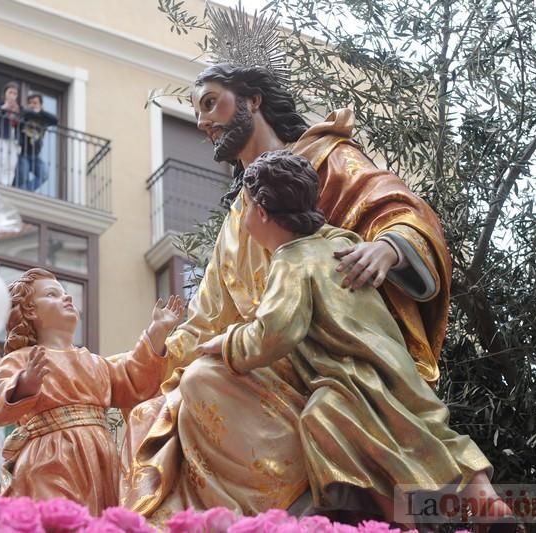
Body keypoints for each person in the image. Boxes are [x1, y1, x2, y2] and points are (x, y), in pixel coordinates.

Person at [120, 62, 460, 524]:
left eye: (210, 103)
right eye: (197, 112)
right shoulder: (238, 219)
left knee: (201, 383)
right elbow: (208, 315)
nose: (202, 122)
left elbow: (396, 206)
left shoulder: (325, 159)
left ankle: (282, 516)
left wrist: (389, 248)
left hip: (325, 359)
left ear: (252, 101)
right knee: (155, 411)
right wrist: (152, 354)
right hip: (258, 362)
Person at [194, 150, 515, 531]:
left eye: (246, 209)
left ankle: (399, 521)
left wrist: (227, 344)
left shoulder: (292, 262)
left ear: (263, 211)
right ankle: (485, 500)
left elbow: (275, 333)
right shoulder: (339, 243)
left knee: (325, 417)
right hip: (393, 363)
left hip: (348, 375)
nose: (244, 224)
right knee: (426, 429)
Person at [0, 268, 183, 515]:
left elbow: (133, 378)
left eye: (66, 293)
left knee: (98, 519)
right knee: (58, 518)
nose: (66, 298)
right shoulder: (22, 359)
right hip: (51, 457)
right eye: (52, 294)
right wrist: (26, 384)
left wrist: (158, 330)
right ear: (31, 311)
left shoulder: (94, 362)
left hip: (100, 458)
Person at [15, 93, 57, 192]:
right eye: (30, 103)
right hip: (23, 153)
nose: (32, 105)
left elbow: (55, 120)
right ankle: (23, 193)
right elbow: (23, 112)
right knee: (23, 179)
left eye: (35, 103)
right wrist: (33, 111)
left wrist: (40, 112)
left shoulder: (43, 119)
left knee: (44, 174)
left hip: (35, 155)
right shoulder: (25, 115)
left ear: (40, 105)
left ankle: (26, 191)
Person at [0, 81, 21, 186]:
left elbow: (24, 120)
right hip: (0, 136)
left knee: (11, 164)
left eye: (15, 94)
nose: (12, 95)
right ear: (5, 93)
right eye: (10, 92)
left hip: (13, 139)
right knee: (0, 160)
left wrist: (16, 114)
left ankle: (7, 185)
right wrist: (4, 107)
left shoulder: (19, 108)